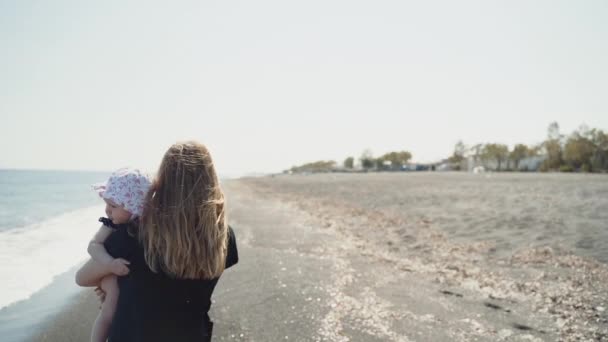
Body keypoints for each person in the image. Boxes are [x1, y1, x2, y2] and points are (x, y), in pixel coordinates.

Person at [77, 141, 238, 342]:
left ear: (162, 182)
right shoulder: (222, 237)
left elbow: (82, 278)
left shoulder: (135, 234)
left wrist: (111, 286)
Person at [75, 167, 152, 342]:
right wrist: (109, 264)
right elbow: (93, 245)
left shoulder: (146, 228)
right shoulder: (111, 224)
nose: (107, 210)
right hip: (111, 273)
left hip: (127, 283)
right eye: (107, 203)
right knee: (107, 312)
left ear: (134, 207)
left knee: (111, 306)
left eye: (113, 205)